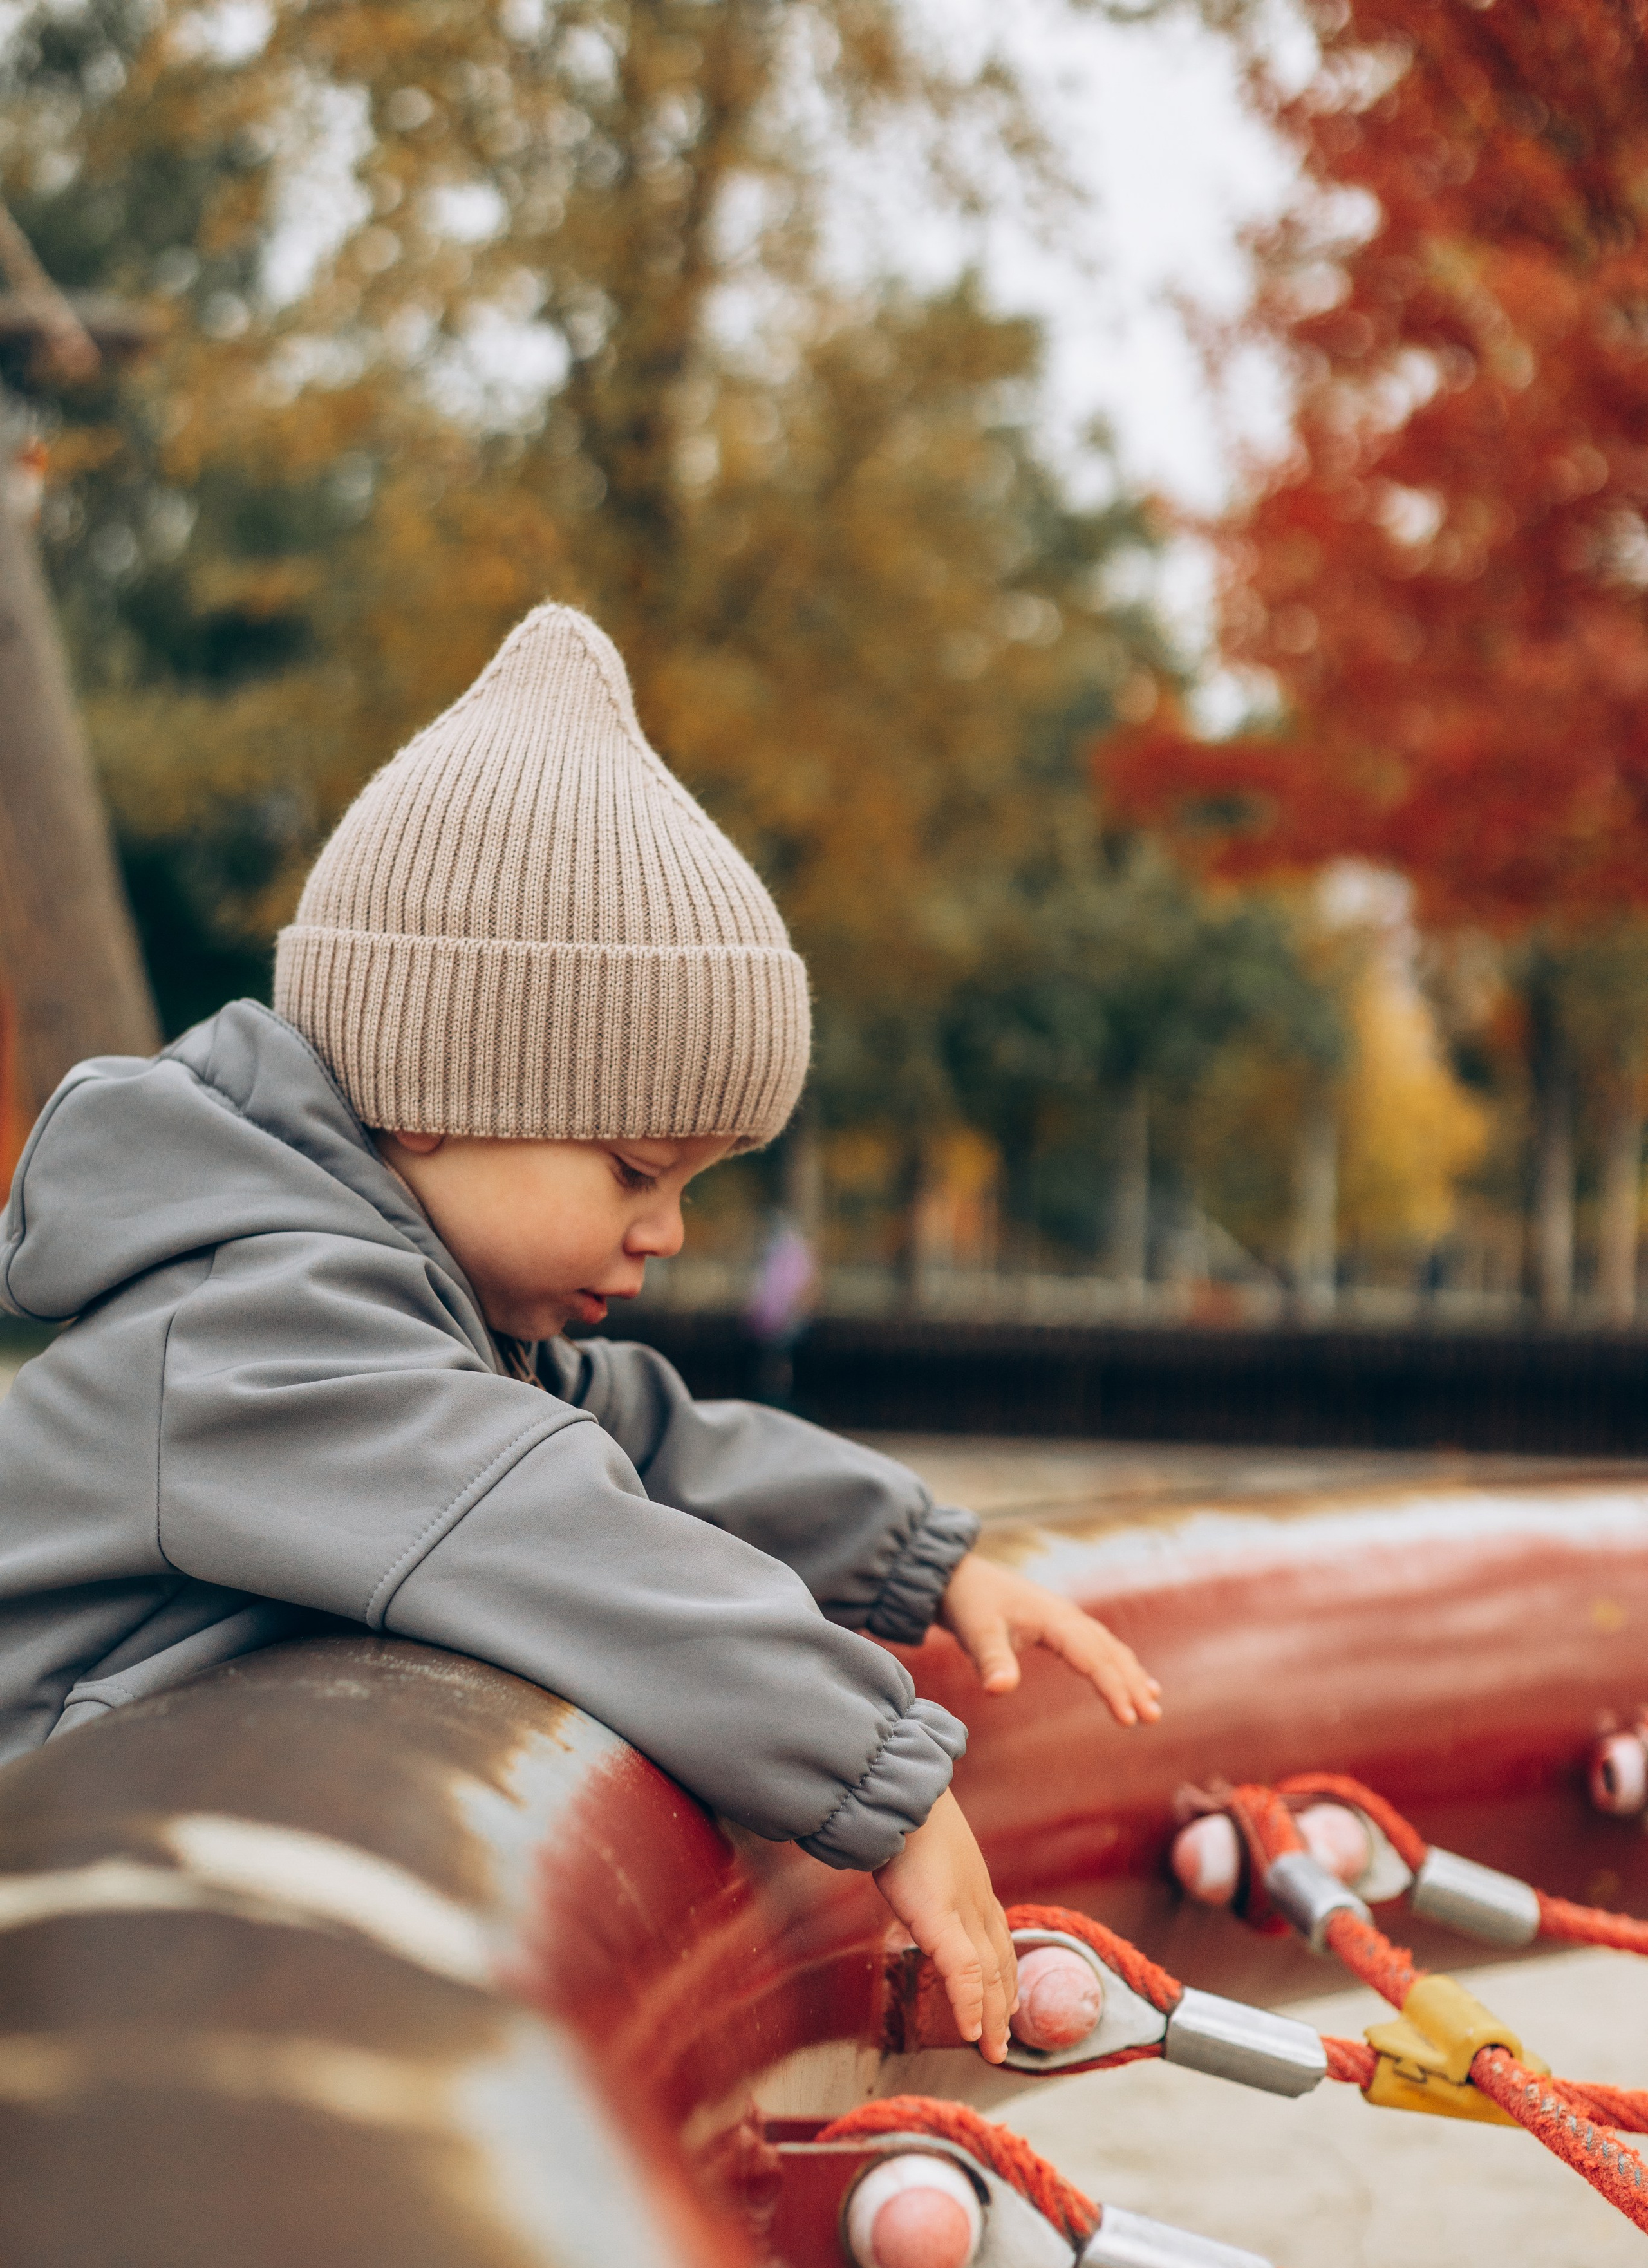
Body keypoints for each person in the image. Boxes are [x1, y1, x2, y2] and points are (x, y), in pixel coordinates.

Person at [0, 603, 1159, 2062]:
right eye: (630, 1171)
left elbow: (631, 1435)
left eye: (691, 1186)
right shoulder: (261, 1337)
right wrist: (882, 1777)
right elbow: (550, 1527)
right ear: (429, 1092)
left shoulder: (407, 1311)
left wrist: (916, 1556)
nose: (666, 1233)